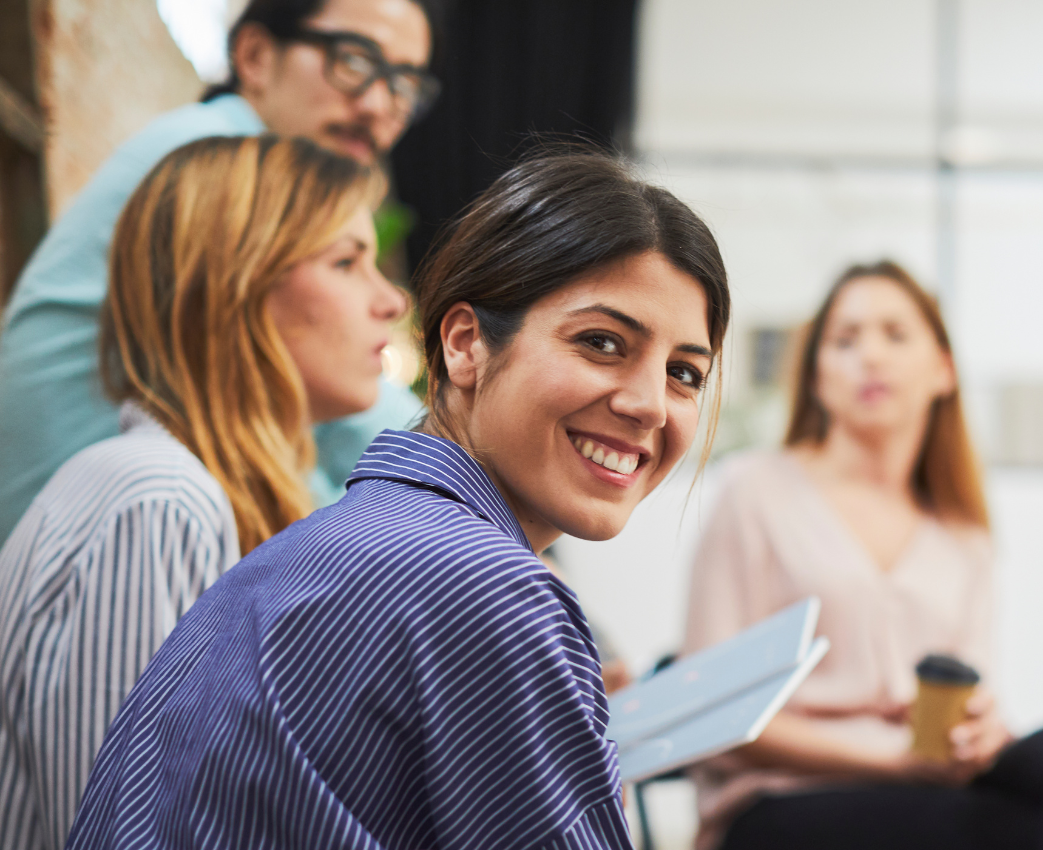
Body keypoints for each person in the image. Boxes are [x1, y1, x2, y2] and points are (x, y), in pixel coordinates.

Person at [65, 149, 731, 850]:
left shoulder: (311, 545)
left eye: (684, 374)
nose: (649, 404)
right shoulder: (489, 584)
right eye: (602, 343)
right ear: (465, 344)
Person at [0, 135, 407, 850]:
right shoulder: (155, 500)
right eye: (346, 262)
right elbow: (119, 833)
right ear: (233, 286)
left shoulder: (217, 500)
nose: (391, 300)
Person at [682, 260, 1043, 850]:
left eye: (895, 334)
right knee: (1015, 830)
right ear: (817, 379)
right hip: (786, 801)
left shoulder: (962, 534)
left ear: (943, 370)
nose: (870, 356)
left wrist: (980, 733)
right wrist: (891, 761)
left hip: (927, 789)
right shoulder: (755, 491)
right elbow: (709, 715)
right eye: (845, 340)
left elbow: (966, 699)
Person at [0, 0, 440, 543]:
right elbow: (373, 433)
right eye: (354, 61)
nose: (378, 105)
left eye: (403, 85)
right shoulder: (217, 168)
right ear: (255, 56)